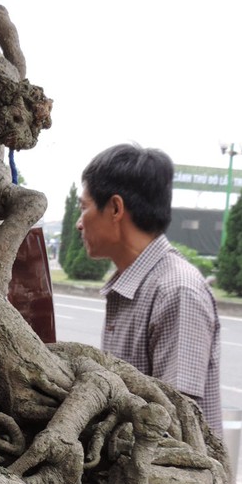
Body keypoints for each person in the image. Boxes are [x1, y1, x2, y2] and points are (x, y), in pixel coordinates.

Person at [77, 143, 222, 436]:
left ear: (115, 208)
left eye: (84, 207)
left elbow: (175, 426)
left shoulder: (177, 292)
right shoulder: (131, 284)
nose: (79, 223)